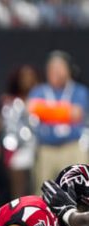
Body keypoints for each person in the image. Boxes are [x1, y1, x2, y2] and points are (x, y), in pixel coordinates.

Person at [27, 51, 88, 190]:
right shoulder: (39, 90)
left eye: (59, 68)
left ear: (68, 70)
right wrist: (65, 113)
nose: (55, 72)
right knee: (43, 192)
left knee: (78, 192)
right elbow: (30, 108)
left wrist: (45, 112)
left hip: (72, 147)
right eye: (51, 69)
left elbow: (77, 114)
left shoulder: (79, 90)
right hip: (46, 149)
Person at [0, 64, 40, 199]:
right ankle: (19, 218)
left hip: (38, 150)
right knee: (19, 192)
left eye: (30, 77)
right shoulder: (10, 102)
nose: (26, 80)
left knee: (38, 188)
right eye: (23, 77)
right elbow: (7, 127)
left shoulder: (42, 100)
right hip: (17, 151)